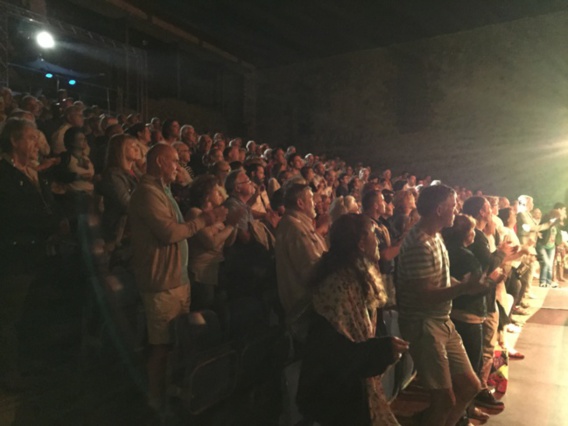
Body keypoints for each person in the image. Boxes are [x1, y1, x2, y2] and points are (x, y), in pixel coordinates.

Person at [128, 144, 227, 410]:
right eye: (174, 162)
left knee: (176, 341)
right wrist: (205, 220)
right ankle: (155, 400)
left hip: (176, 280)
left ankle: (170, 390)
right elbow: (170, 233)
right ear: (160, 161)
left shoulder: (163, 191)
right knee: (160, 346)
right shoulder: (147, 194)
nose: (178, 167)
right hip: (161, 283)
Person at [297, 214, 409, 426]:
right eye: (373, 235)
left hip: (347, 388)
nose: (378, 241)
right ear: (360, 243)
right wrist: (382, 348)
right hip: (337, 393)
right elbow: (340, 350)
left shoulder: (355, 275)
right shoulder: (340, 284)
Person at [397, 184, 485, 426]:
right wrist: (463, 288)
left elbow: (440, 280)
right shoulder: (418, 244)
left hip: (441, 320)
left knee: (469, 386)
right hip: (424, 324)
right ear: (438, 209)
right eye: (453, 205)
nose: (456, 210)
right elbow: (424, 295)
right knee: (443, 399)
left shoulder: (435, 236)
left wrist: (465, 284)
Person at [0, 118, 61, 389]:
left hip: (38, 254)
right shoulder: (5, 174)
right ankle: (9, 373)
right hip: (16, 257)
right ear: (14, 141)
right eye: (30, 138)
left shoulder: (34, 174)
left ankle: (28, 362)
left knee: (32, 312)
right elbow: (14, 214)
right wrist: (51, 224)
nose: (37, 144)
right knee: (10, 316)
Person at [275, 183, 327, 342]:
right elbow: (311, 270)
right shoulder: (296, 229)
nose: (316, 203)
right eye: (311, 198)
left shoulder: (297, 224)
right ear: (300, 203)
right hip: (306, 309)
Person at [186, 175, 239, 309]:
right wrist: (230, 226)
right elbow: (211, 243)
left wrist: (234, 224)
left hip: (216, 269)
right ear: (207, 194)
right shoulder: (196, 214)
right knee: (205, 308)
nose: (221, 194)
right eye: (217, 191)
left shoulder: (216, 216)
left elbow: (228, 243)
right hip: (201, 273)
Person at [97, 134, 140, 247]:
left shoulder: (135, 173)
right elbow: (126, 204)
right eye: (132, 146)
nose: (137, 149)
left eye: (137, 146)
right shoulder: (114, 175)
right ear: (120, 150)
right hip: (120, 229)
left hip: (134, 224)